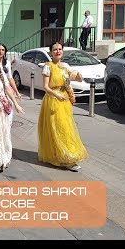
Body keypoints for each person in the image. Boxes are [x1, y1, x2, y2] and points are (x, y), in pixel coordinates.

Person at [38, 41, 88, 171]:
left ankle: (68, 156)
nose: (58, 51)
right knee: (55, 129)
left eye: (60, 49)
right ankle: (60, 156)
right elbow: (45, 87)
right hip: (52, 100)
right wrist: (56, 95)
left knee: (66, 128)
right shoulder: (48, 66)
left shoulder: (65, 66)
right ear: (51, 52)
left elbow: (72, 79)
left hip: (64, 100)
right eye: (55, 49)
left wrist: (77, 75)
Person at [0, 43, 22, 127]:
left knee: (8, 111)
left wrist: (17, 92)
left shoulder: (7, 63)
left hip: (6, 90)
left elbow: (10, 78)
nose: (0, 52)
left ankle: (6, 129)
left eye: (3, 50)